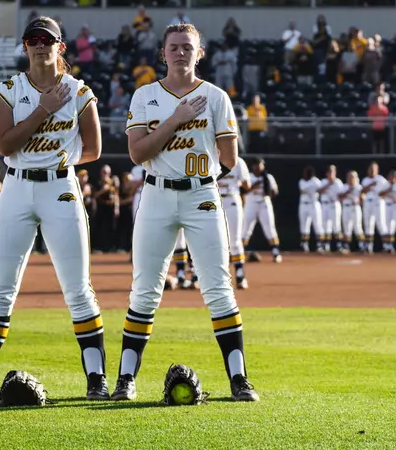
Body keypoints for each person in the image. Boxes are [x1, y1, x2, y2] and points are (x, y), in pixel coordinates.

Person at [0, 16, 106, 402]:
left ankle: (96, 378)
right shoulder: (8, 89)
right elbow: (6, 146)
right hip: (17, 187)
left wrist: (61, 157)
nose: (41, 45)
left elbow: (93, 150)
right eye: (34, 39)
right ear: (25, 46)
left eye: (48, 39)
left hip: (59, 186)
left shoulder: (79, 90)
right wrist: (43, 110)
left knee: (77, 288)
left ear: (61, 46)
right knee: (0, 289)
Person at [113, 22, 257, 403]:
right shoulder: (145, 95)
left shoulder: (216, 96)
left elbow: (230, 158)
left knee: (218, 288)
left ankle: (239, 380)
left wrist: (204, 176)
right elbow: (138, 154)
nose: (180, 52)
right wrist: (176, 120)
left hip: (201, 196)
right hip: (157, 194)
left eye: (187, 47)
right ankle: (126, 380)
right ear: (163, 53)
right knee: (144, 290)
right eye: (173, 47)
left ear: (200, 52)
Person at [218, 156, 250, 288]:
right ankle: (218, 278)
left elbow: (247, 184)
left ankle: (240, 275)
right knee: (215, 241)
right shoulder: (210, 157)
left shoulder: (239, 162)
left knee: (235, 240)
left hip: (232, 199)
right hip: (215, 201)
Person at [243, 159, 282, 262]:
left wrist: (268, 189)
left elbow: (275, 191)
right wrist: (254, 186)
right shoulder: (248, 176)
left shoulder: (268, 177)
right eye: (256, 165)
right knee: (246, 228)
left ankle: (276, 252)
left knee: (269, 228)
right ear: (253, 166)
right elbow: (244, 190)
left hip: (264, 203)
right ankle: (241, 252)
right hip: (251, 203)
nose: (258, 167)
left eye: (260, 165)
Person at [360, 162, 389, 254]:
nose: (372, 171)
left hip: (378, 202)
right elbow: (362, 191)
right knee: (368, 224)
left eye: (374, 169)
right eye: (370, 169)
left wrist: (381, 195)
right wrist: (370, 185)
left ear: (377, 170)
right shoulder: (365, 180)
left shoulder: (381, 180)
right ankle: (369, 246)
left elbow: (387, 190)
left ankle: (387, 245)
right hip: (368, 202)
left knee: (381, 223)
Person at [318, 165, 344, 253]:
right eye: (329, 172)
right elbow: (319, 191)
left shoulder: (338, 182)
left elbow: (341, 194)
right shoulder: (323, 181)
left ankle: (339, 246)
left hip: (334, 205)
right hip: (325, 205)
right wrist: (329, 184)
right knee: (325, 226)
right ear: (327, 173)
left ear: (335, 173)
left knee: (336, 226)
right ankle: (326, 245)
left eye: (332, 172)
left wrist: (336, 196)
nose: (330, 174)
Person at [298, 166, 323, 253]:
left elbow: (321, 190)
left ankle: (320, 244)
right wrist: (312, 189)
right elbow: (302, 190)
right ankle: (304, 244)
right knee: (304, 225)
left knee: (317, 224)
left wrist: (313, 190)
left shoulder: (315, 181)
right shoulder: (302, 181)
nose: (305, 174)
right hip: (304, 204)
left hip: (313, 204)